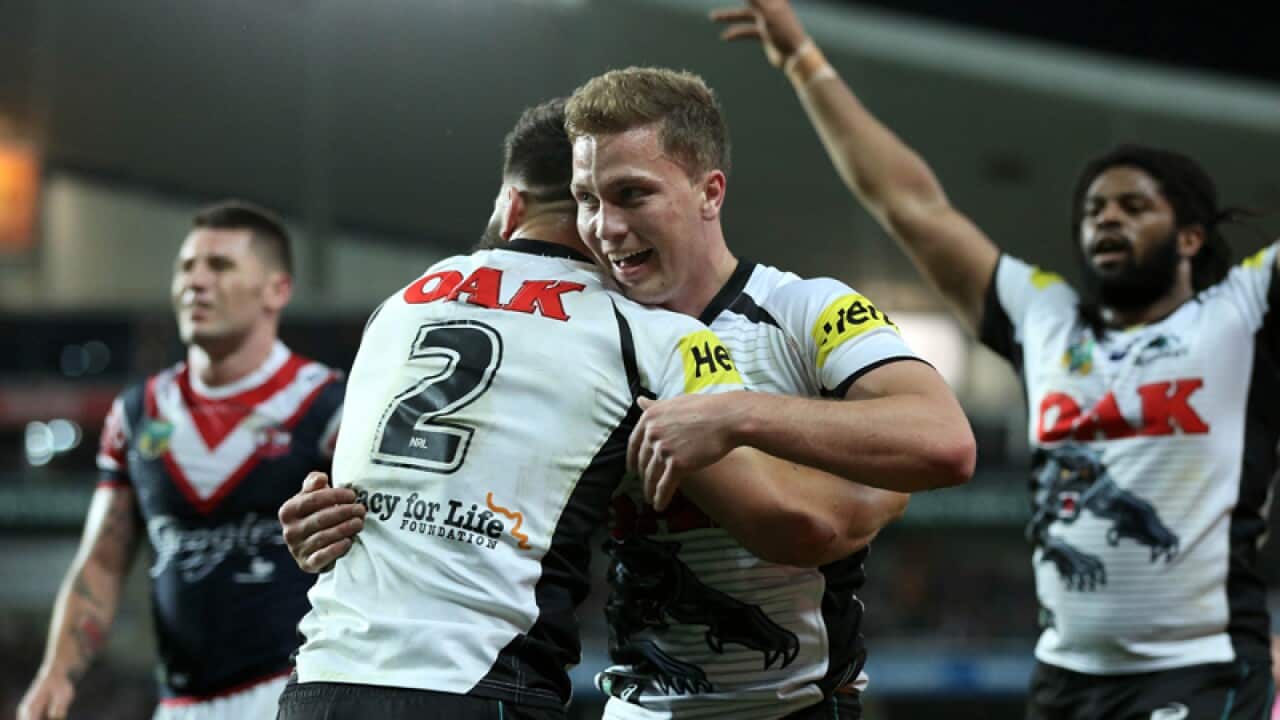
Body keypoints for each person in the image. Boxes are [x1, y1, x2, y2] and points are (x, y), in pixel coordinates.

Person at [711, 0, 1280, 717]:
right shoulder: (1047, 316)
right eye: (1095, 209)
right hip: (1063, 678)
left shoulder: (1242, 311)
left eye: (1135, 207)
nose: (1106, 217)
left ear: (1192, 237)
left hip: (1202, 671)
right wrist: (803, 62)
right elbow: (911, 205)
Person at [276, 98, 905, 720]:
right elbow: (798, 525)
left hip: (319, 677)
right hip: (482, 682)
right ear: (586, 213)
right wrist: (892, 475)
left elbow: (356, 499)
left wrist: (315, 515)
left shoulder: (400, 307)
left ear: (512, 204)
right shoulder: (644, 333)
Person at [561, 64, 975, 719]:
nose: (605, 228)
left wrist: (738, 413)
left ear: (709, 192)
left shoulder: (805, 309)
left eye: (632, 194)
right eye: (587, 199)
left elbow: (946, 441)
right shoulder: (584, 334)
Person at [18, 201, 346, 720]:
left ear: (276, 291)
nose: (195, 281)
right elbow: (102, 560)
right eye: (186, 266)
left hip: (294, 693)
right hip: (177, 705)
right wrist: (55, 673)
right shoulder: (137, 413)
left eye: (219, 266)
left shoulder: (329, 406)